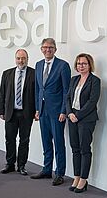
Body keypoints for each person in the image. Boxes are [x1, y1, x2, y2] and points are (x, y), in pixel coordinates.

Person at [30, 38, 71, 186]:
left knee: (59, 143)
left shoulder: (63, 66)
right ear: (41, 49)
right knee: (46, 142)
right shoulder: (38, 65)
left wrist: (63, 111)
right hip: (42, 111)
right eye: (45, 47)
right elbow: (38, 89)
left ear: (55, 49)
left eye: (51, 47)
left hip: (57, 112)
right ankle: (47, 169)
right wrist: (36, 108)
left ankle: (59, 173)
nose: (48, 50)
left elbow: (67, 91)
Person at [0, 49, 36, 175]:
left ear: (27, 59)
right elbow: (2, 92)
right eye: (18, 58)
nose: (21, 61)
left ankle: (21, 165)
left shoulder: (34, 73)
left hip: (26, 113)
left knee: (24, 140)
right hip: (10, 112)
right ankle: (10, 164)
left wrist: (37, 110)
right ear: (15, 59)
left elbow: (37, 94)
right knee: (9, 139)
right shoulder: (7, 73)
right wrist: (0, 110)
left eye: (23, 58)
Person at [66, 53, 101, 193]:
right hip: (72, 116)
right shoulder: (74, 79)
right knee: (75, 148)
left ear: (89, 65)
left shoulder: (95, 81)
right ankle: (76, 176)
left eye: (84, 64)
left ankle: (83, 179)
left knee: (84, 149)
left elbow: (92, 102)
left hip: (86, 119)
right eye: (79, 63)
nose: (81, 66)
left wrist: (77, 116)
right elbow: (67, 97)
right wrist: (69, 113)